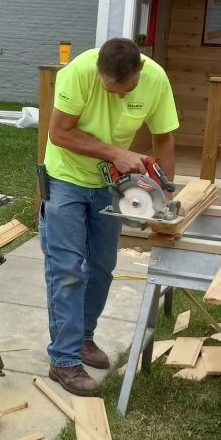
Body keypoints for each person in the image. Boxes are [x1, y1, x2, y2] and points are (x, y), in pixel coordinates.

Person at [39, 37, 179, 396]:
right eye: (108, 88)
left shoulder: (156, 80)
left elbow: (164, 139)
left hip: (108, 184)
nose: (114, 95)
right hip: (65, 179)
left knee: (101, 267)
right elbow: (59, 132)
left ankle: (83, 338)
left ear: (139, 72)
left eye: (123, 90)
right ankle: (64, 360)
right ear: (99, 71)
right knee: (67, 268)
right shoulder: (79, 73)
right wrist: (116, 152)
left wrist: (164, 192)